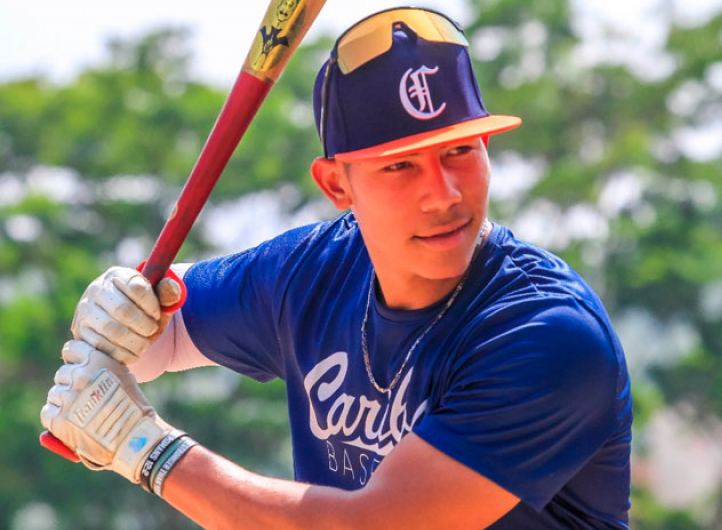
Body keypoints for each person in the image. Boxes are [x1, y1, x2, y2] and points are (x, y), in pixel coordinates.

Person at [41, 7, 633, 529]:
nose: (444, 194)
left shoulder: (547, 334)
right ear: (336, 185)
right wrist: (123, 318)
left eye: (459, 150)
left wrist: (145, 449)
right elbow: (165, 327)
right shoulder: (314, 272)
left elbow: (371, 527)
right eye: (400, 166)